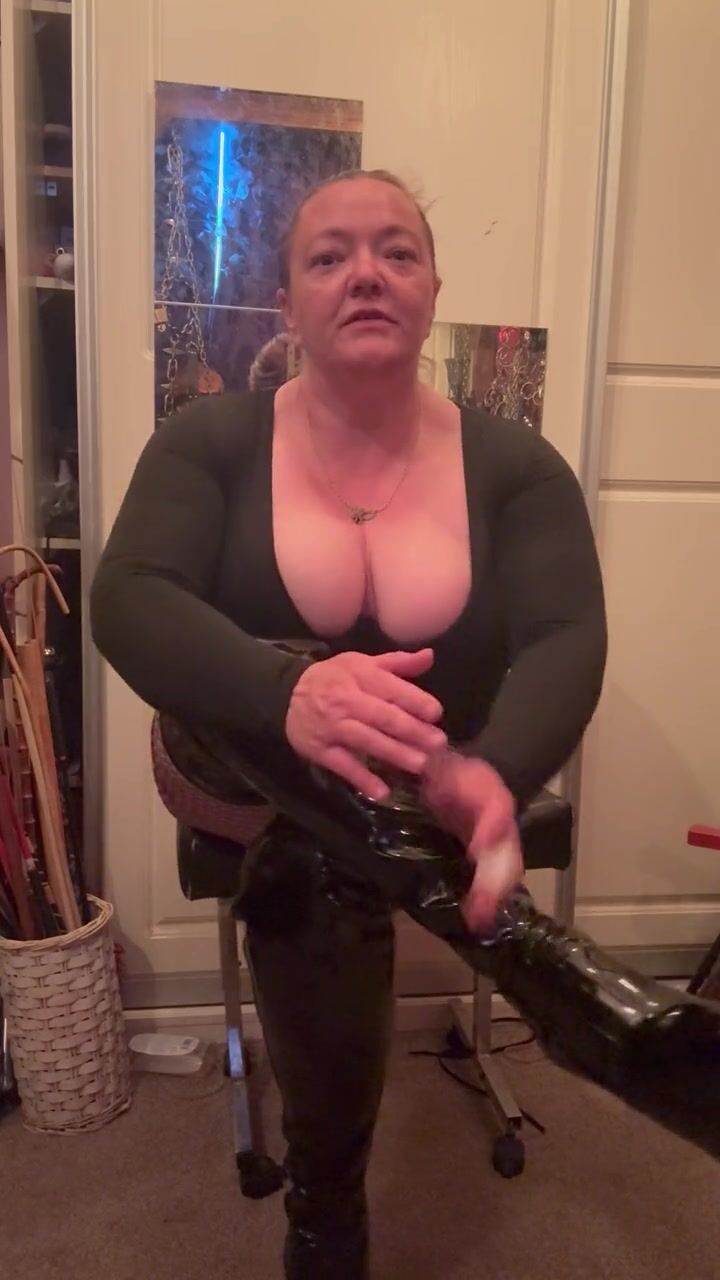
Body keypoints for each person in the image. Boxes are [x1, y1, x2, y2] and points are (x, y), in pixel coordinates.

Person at [90, 169, 607, 1278]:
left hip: (410, 780)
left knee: (325, 852)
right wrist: (289, 694)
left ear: (432, 289)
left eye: (397, 252)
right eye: (330, 256)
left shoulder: (519, 468)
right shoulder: (209, 441)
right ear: (287, 300)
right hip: (227, 754)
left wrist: (496, 774)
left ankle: (324, 1214)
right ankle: (528, 951)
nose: (366, 273)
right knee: (309, 723)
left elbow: (566, 634)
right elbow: (128, 597)